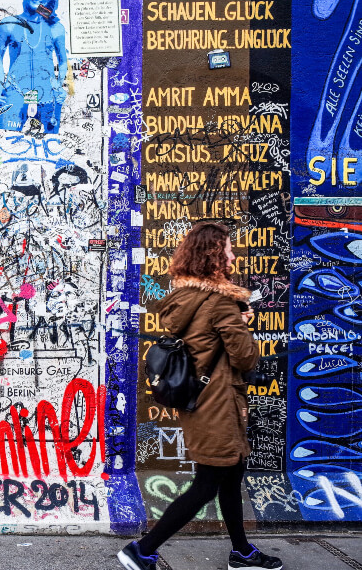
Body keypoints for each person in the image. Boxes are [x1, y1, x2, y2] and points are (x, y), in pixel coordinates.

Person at [117, 222, 282, 570]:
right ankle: (142, 550)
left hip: (203, 402)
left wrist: (235, 320)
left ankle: (242, 552)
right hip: (219, 406)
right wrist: (242, 324)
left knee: (231, 476)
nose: (233, 255)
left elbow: (207, 343)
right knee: (207, 484)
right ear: (213, 257)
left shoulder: (187, 299)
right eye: (228, 250)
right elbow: (245, 358)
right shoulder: (221, 303)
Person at [0, 0, 69, 134]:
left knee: (49, 148)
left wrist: (59, 85)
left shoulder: (56, 28)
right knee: (7, 148)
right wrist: (0, 87)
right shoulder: (8, 24)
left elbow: (63, 61)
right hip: (13, 96)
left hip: (47, 98)